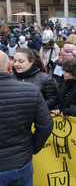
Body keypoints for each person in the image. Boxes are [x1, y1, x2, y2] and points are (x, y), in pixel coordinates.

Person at [0, 50, 53, 186]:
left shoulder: (33, 88)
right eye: (15, 61)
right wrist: (31, 149)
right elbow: (46, 125)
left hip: (19, 160)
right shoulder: (31, 90)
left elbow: (46, 124)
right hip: (20, 162)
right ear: (9, 65)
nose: (17, 64)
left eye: (21, 61)